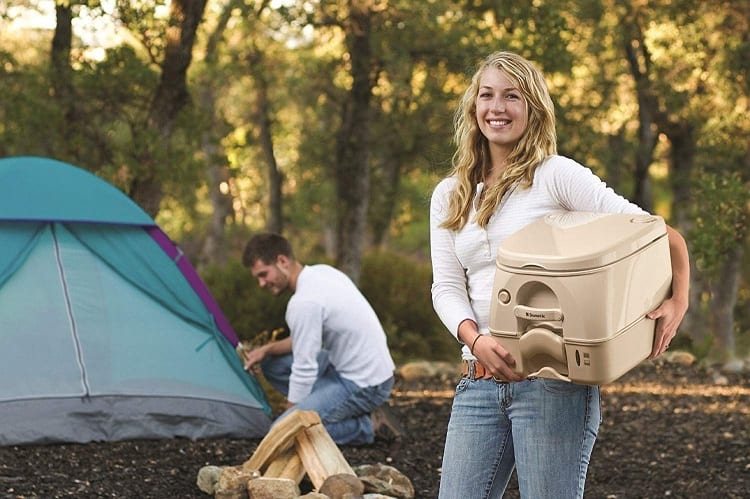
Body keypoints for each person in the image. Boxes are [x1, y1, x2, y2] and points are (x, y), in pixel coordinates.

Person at [430, 51, 690, 498]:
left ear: (532, 107)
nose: (498, 108)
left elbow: (655, 234)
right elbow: (446, 286)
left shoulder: (556, 176)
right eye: (488, 95)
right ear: (474, 106)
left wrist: (678, 299)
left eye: (512, 96)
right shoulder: (450, 194)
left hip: (554, 388)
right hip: (477, 381)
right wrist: (475, 339)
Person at [241, 232, 401, 445]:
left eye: (264, 274)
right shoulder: (322, 273)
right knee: (271, 362)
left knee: (284, 435)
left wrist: (291, 418)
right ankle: (324, 405)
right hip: (353, 367)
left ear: (282, 261)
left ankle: (368, 426)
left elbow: (304, 368)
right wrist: (266, 350)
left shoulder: (304, 302)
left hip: (365, 384)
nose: (261, 283)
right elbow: (303, 341)